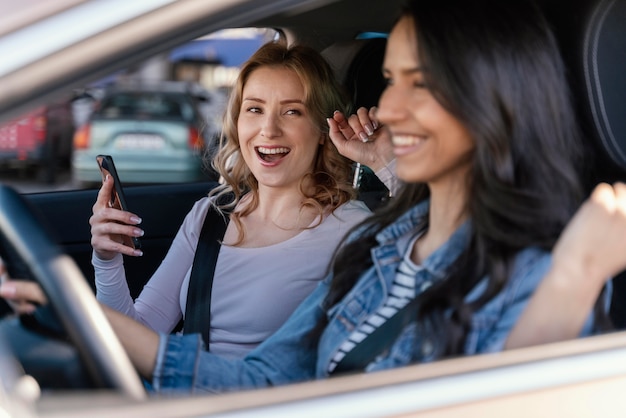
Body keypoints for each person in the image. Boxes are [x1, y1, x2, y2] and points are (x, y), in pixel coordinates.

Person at [1, 0, 622, 394]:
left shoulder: (534, 268)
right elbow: (264, 379)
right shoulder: (379, 248)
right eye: (388, 81)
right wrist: (67, 299)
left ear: (496, 98)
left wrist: (575, 278)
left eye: (422, 83)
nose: (391, 107)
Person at [1, 41, 374, 360]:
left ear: (324, 130)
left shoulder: (351, 228)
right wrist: (108, 260)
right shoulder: (210, 216)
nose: (268, 129)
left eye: (292, 111)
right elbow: (138, 334)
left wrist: (384, 163)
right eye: (255, 109)